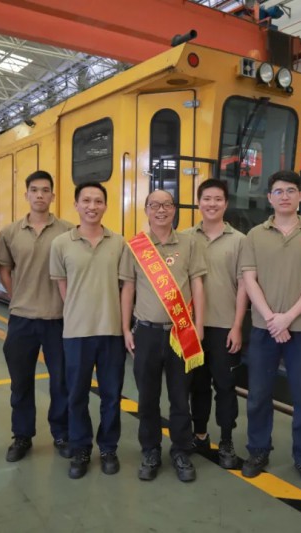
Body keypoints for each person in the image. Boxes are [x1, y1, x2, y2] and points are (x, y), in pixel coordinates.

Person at [239, 170, 301, 485]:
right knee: (258, 394)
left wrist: (287, 318)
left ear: (300, 196)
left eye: (291, 190)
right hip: (263, 328)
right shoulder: (254, 235)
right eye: (278, 191)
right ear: (269, 198)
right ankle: (258, 451)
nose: (285, 196)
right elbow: (249, 280)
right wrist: (271, 318)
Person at [119, 189, 207, 482]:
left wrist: (199, 325)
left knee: (181, 398)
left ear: (174, 209)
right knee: (148, 398)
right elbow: (128, 289)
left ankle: (181, 451)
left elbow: (197, 284)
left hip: (181, 333)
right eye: (154, 205)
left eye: (167, 205)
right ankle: (151, 450)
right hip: (146, 332)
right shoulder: (135, 246)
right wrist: (125, 329)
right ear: (146, 209)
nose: (161, 210)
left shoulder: (190, 243)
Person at [0, 170, 74, 462]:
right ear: (26, 194)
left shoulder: (68, 231)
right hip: (22, 318)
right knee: (20, 382)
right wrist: (16, 295)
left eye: (45, 190)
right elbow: (4, 269)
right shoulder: (10, 233)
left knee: (61, 382)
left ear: (53, 195)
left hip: (59, 318)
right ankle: (22, 435)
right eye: (34, 190)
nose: (40, 195)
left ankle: (61, 433)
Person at [49, 182, 126, 479]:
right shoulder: (61, 244)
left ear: (105, 205)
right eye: (86, 201)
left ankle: (108, 448)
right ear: (76, 205)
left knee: (111, 395)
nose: (92, 206)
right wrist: (78, 310)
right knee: (77, 395)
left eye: (98, 201)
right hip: (76, 333)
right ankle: (80, 448)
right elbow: (62, 286)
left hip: (111, 331)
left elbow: (125, 287)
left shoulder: (119, 242)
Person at [181, 179, 247, 469]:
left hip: (224, 326)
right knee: (197, 386)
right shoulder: (184, 238)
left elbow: (244, 286)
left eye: (218, 199)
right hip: (191, 327)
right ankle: (199, 435)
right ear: (198, 202)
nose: (212, 204)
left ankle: (227, 440)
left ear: (226, 204)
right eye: (206, 198)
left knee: (225, 386)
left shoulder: (240, 241)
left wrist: (237, 326)